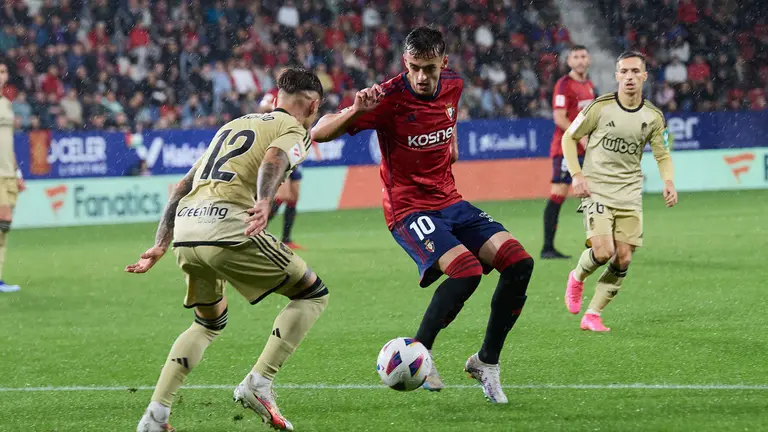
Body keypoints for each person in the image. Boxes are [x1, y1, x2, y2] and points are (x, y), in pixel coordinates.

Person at [311, 27, 534, 404]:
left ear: (443, 63)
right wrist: (356, 110)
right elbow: (318, 133)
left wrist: (451, 144)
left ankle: (486, 362)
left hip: (451, 201)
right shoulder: (386, 98)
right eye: (414, 67)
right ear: (405, 62)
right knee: (466, 271)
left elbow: (448, 121)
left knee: (519, 263)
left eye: (429, 68)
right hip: (409, 207)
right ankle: (421, 355)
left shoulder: (454, 85)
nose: (421, 76)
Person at [127, 68, 328, 431]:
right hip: (227, 227)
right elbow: (274, 158)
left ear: (276, 96)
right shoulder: (294, 129)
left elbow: (182, 186)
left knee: (207, 323)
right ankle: (259, 382)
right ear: (313, 106)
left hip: (187, 230)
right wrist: (265, 200)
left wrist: (160, 243)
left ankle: (156, 415)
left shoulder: (233, 125)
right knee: (312, 294)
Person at [561, 51, 678, 332]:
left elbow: (663, 155)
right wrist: (577, 175)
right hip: (597, 189)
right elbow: (569, 137)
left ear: (644, 76)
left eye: (635, 71)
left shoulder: (653, 116)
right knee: (603, 252)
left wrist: (669, 182)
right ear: (616, 76)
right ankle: (577, 276)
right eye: (624, 71)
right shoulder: (600, 107)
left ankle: (593, 314)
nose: (629, 77)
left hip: (630, 193)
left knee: (623, 256)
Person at [542, 45, 595, 259]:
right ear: (569, 61)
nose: (580, 60)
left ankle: (600, 244)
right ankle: (547, 248)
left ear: (589, 59)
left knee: (595, 194)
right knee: (558, 194)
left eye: (583, 56)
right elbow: (559, 118)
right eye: (576, 57)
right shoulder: (564, 84)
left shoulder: (589, 85)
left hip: (586, 149)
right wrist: (581, 137)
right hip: (566, 148)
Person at [259, 70, 306, 250]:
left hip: (295, 145)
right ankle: (259, 229)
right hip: (280, 146)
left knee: (294, 196)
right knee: (282, 195)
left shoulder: (299, 96)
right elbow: (263, 109)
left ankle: (286, 239)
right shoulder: (273, 94)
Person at [0, 62, 25, 293]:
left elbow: (8, 143)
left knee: (4, 229)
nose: (1, 75)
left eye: (3, 71)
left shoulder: (6, 104)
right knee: (4, 219)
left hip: (9, 173)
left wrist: (18, 173)